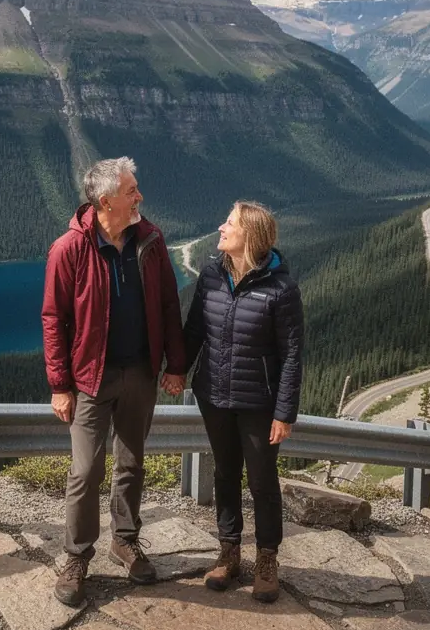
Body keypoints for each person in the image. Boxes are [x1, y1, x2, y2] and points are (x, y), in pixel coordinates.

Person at [43, 156, 187, 606]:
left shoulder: (152, 241)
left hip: (140, 373)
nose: (139, 196)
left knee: (132, 463)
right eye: (131, 191)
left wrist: (176, 365)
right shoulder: (69, 248)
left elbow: (168, 304)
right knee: (85, 471)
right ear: (106, 201)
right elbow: (54, 318)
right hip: (90, 378)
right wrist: (60, 384)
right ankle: (77, 556)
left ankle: (124, 541)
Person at [184, 201, 303, 603]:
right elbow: (195, 330)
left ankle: (266, 558)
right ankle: (229, 551)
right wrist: (174, 370)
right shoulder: (211, 275)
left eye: (229, 223)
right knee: (225, 473)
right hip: (213, 394)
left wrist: (284, 412)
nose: (221, 227)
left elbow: (291, 356)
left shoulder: (281, 289)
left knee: (262, 481)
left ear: (248, 237)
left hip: (259, 402)